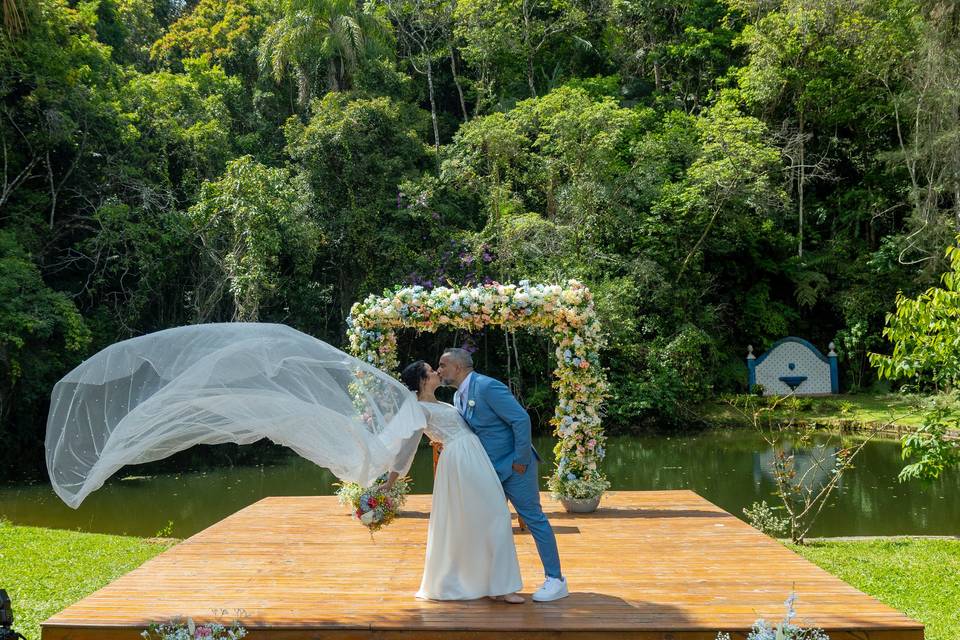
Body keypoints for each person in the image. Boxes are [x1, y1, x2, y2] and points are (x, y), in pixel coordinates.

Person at [382, 360, 525, 603]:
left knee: (492, 515)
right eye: (431, 370)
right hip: (460, 460)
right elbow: (406, 449)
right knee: (495, 514)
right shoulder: (420, 410)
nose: (437, 372)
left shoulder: (442, 402)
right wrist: (390, 481)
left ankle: (496, 584)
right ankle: (496, 586)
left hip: (473, 454)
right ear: (423, 380)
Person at [437, 348, 569, 602]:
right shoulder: (457, 397)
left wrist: (520, 460)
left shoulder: (487, 387)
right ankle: (495, 583)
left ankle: (555, 579)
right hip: (488, 471)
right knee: (490, 525)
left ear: (458, 367)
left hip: (515, 467)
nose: (439, 370)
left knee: (533, 519)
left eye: (443, 365)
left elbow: (521, 419)